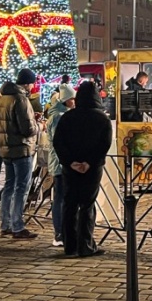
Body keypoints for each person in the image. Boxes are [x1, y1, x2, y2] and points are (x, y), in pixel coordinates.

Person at [53, 81, 113, 257]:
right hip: (91, 168)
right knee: (87, 204)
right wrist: (89, 162)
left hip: (70, 167)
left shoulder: (68, 117)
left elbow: (59, 142)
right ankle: (85, 245)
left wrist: (70, 161)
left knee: (70, 204)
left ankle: (70, 245)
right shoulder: (102, 118)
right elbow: (104, 144)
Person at [0, 68, 42, 240]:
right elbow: (27, 129)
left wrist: (32, 119)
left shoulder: (3, 98)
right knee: (22, 187)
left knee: (9, 186)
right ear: (28, 83)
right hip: (21, 149)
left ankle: (5, 224)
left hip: (6, 148)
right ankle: (17, 226)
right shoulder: (21, 99)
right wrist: (40, 126)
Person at [46, 83, 76, 247]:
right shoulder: (58, 117)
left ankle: (63, 231)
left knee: (62, 197)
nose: (74, 101)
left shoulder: (61, 114)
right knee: (60, 198)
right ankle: (59, 233)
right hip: (60, 163)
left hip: (60, 162)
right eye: (71, 98)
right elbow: (59, 142)